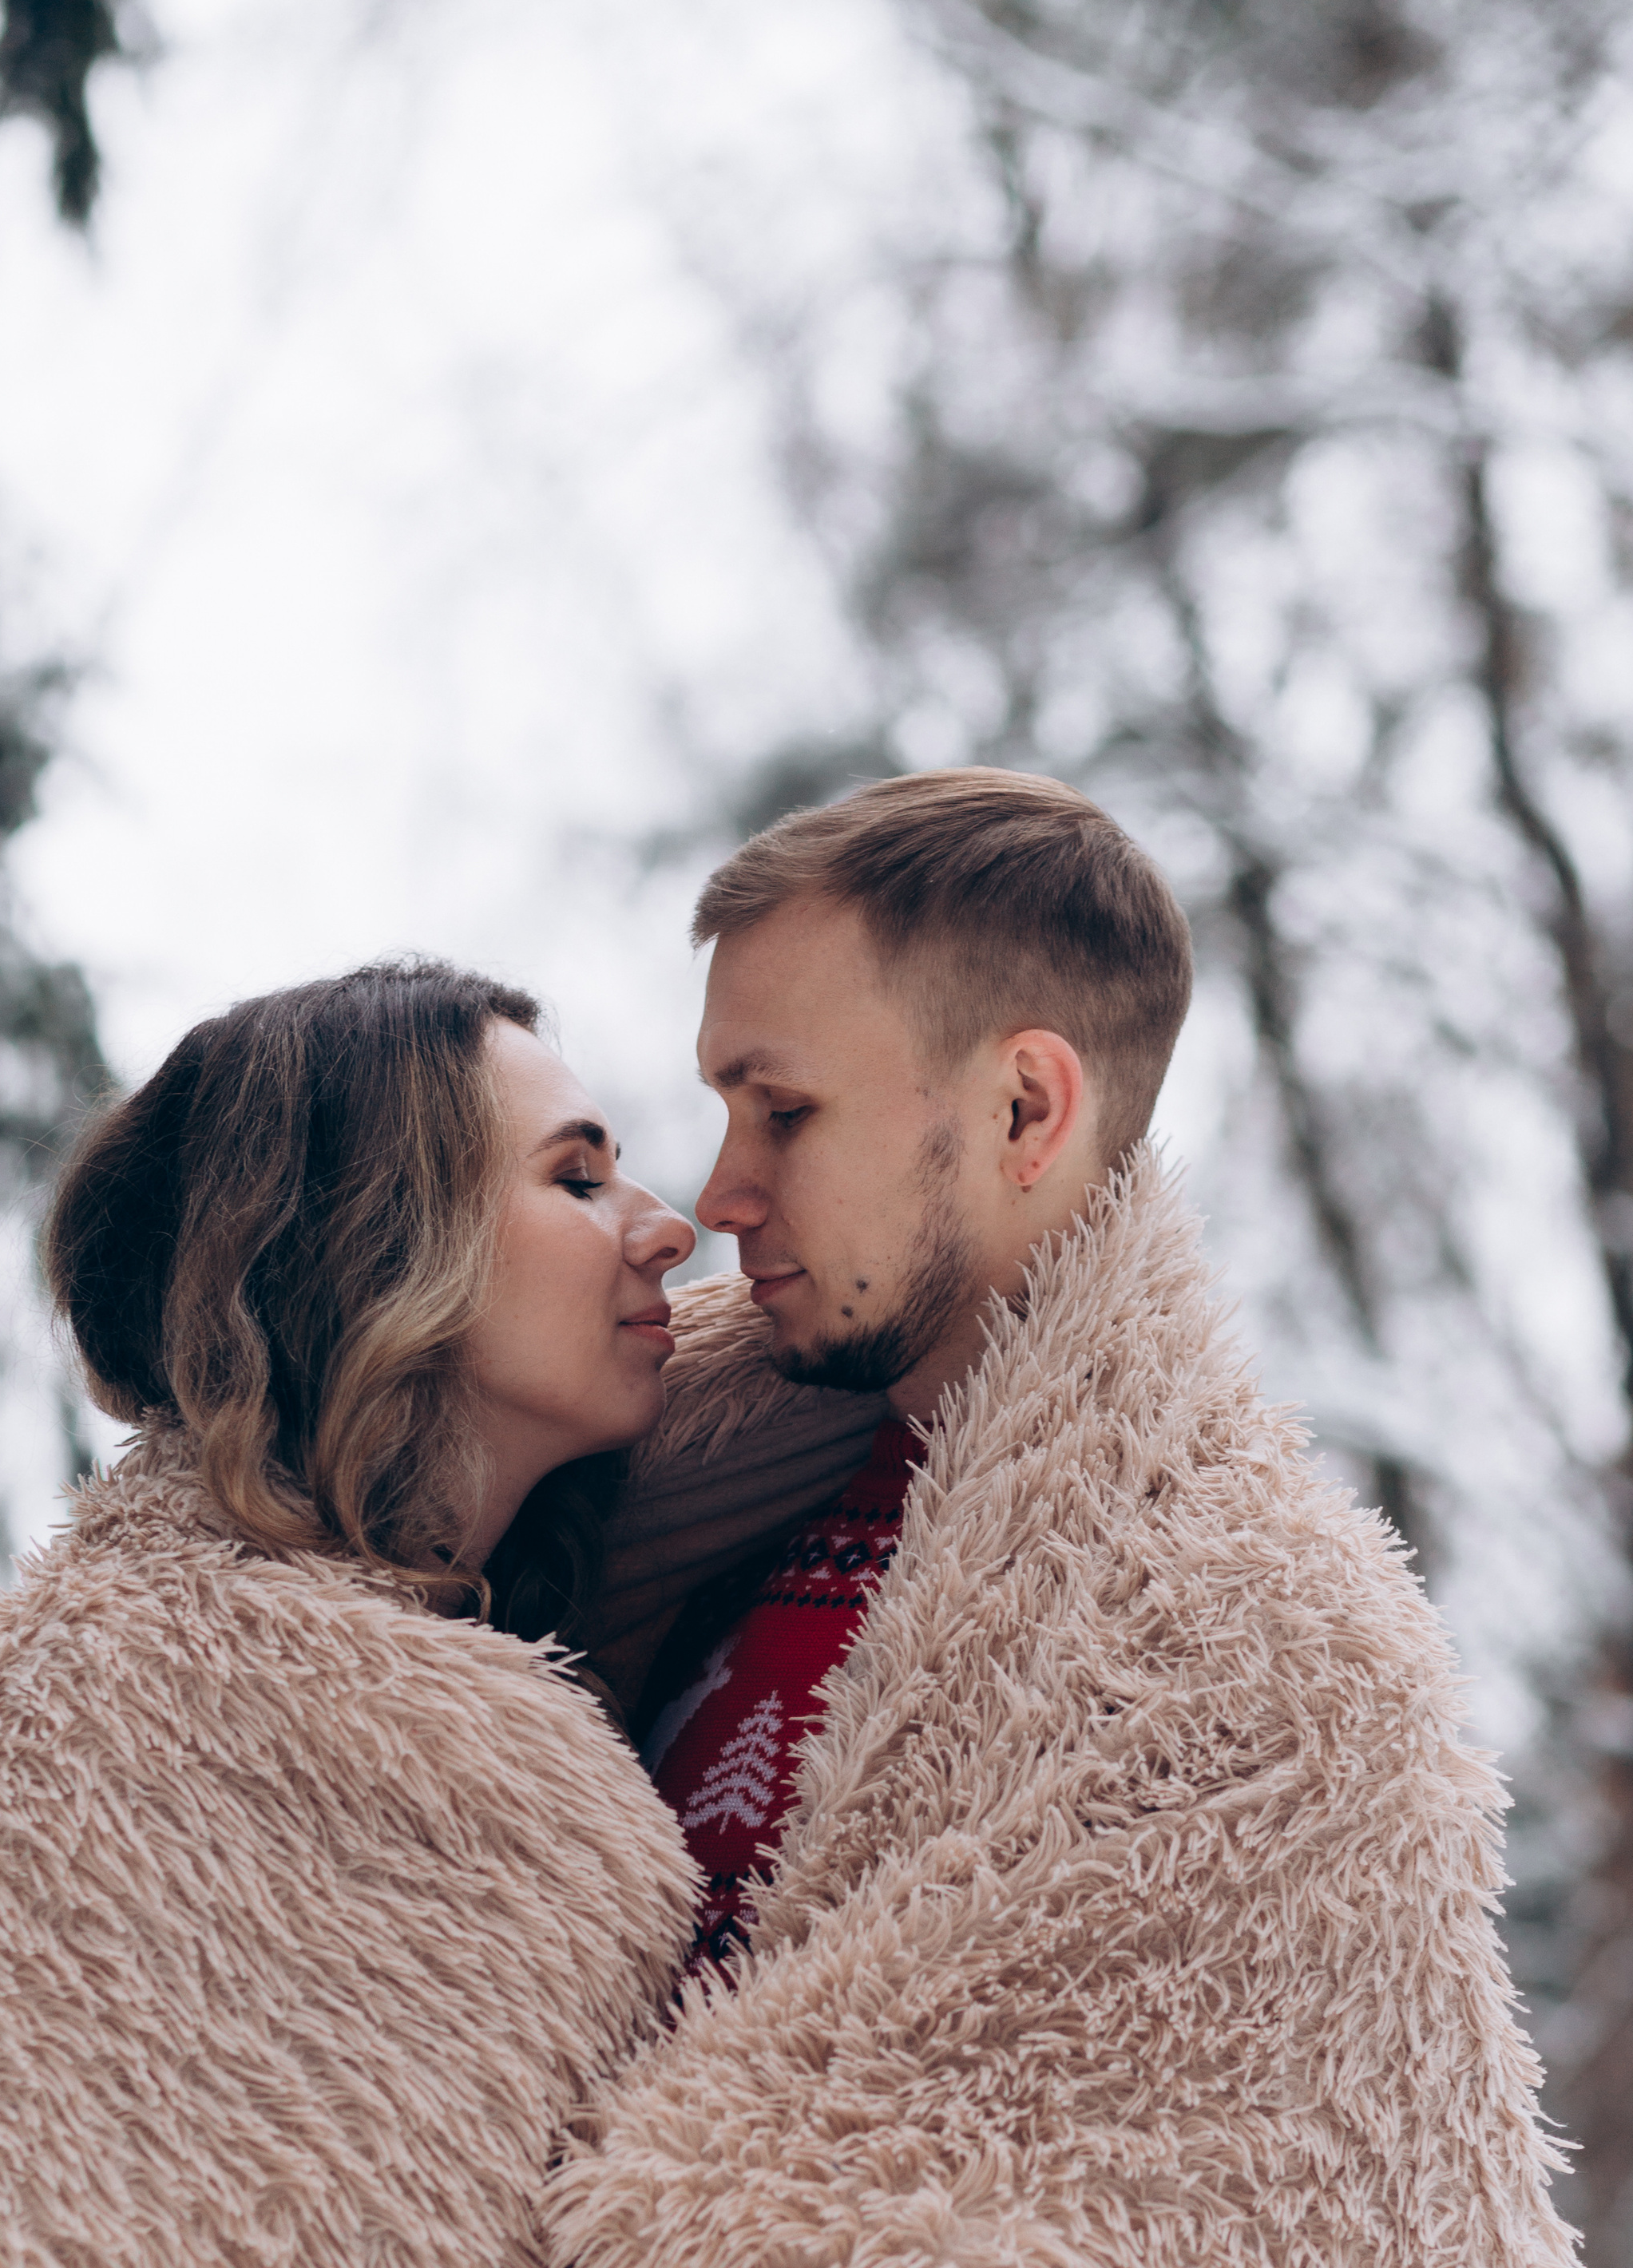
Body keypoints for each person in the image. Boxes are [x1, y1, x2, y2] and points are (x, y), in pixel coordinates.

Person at [550, 770, 1579, 2267]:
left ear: (1026, 1107)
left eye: (783, 1112)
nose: (720, 1194)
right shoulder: (679, 1515)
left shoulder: (1270, 1657)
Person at [0, 961, 703, 2268]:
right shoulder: (99, 1691)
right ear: (384, 1243)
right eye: (577, 1179)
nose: (669, 1226)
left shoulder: (517, 1656)